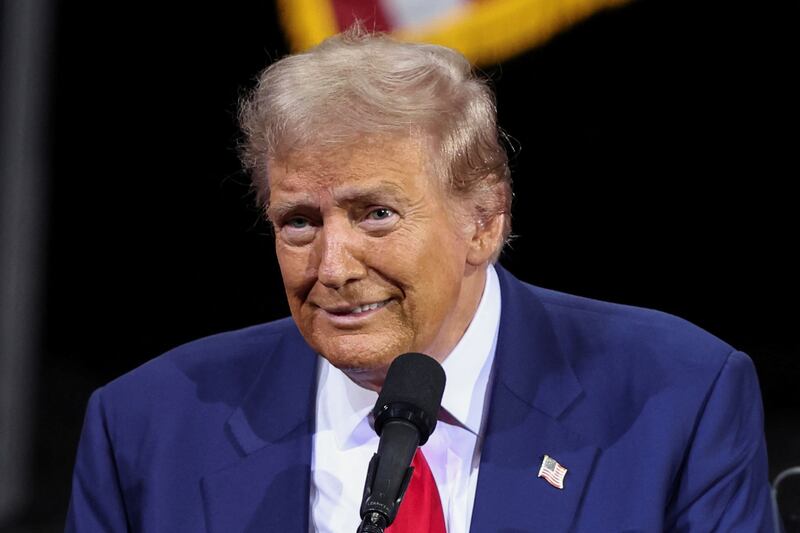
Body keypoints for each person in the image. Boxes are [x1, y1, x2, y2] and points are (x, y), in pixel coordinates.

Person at [66, 27, 774, 532]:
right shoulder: (145, 428)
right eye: (300, 222)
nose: (333, 267)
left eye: (375, 214)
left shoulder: (678, 397)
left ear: (484, 220)